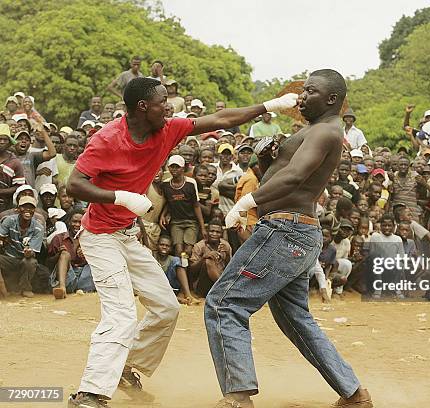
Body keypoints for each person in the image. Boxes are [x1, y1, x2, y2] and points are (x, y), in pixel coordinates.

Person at [65, 76, 298, 407]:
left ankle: (127, 365)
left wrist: (269, 106)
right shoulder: (107, 139)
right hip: (100, 236)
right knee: (120, 315)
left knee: (167, 308)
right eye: (164, 102)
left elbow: (220, 119)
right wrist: (121, 197)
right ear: (143, 107)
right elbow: (74, 184)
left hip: (128, 235)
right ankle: (90, 393)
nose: (170, 108)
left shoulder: (167, 129)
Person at [204, 70, 372, 408]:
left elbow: (296, 177)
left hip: (286, 230)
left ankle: (237, 396)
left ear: (331, 99)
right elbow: (284, 172)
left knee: (224, 303)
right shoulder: (313, 130)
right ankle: (354, 394)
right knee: (296, 319)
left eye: (310, 91)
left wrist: (245, 202)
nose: (301, 96)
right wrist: (269, 159)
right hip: (294, 229)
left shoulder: (326, 131)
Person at [0, 196, 44, 298]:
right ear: (18, 209)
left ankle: (26, 288)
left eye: (31, 207)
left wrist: (29, 253)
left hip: (24, 259)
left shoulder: (38, 228)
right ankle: (3, 289)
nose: (27, 210)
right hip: (9, 258)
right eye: (24, 206)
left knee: (30, 262)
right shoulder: (9, 220)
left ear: (34, 210)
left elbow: (33, 252)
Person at [48, 209, 95, 299]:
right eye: (74, 221)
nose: (77, 225)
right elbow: (48, 263)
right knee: (65, 254)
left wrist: (88, 254)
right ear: (69, 222)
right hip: (67, 276)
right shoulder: (59, 238)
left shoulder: (90, 239)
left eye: (80, 222)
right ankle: (62, 288)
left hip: (85, 277)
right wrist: (59, 255)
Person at [0, 124, 26, 212]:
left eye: (5, 139)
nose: (2, 142)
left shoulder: (15, 162)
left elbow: (19, 186)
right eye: (0, 139)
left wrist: (1, 192)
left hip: (6, 206)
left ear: (9, 143)